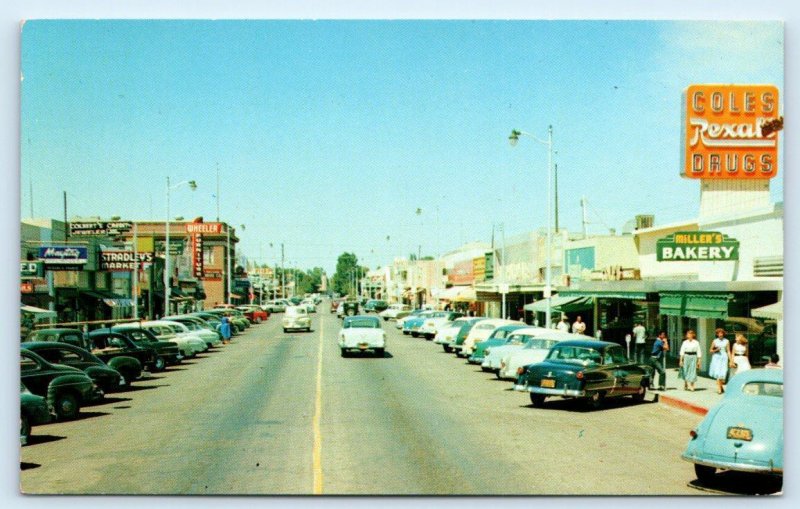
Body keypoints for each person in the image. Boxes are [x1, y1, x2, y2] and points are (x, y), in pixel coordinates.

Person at [708, 328, 733, 394]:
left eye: (721, 333)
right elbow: (710, 350)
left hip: (724, 357)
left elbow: (728, 351)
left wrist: (731, 360)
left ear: (723, 334)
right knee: (718, 373)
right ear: (717, 334)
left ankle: (721, 387)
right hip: (716, 357)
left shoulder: (727, 341)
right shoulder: (715, 341)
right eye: (719, 333)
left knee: (723, 372)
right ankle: (719, 389)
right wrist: (716, 350)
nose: (720, 335)